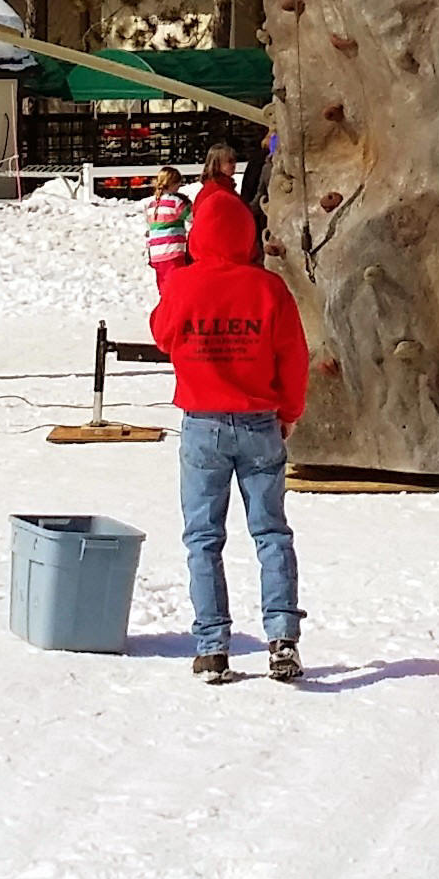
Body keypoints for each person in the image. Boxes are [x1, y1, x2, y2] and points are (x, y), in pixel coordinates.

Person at [150, 186, 309, 682]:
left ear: (198, 236)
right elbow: (294, 357)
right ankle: (282, 639)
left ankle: (212, 647)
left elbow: (162, 334)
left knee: (203, 538)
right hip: (260, 421)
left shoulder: (183, 285)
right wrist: (290, 411)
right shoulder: (269, 288)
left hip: (202, 424)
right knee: (271, 533)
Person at [143, 165, 193, 297]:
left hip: (156, 254)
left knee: (164, 290)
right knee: (177, 288)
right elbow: (192, 217)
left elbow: (150, 229)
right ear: (174, 184)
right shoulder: (176, 202)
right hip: (172, 251)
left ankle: (165, 312)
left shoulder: (152, 205)